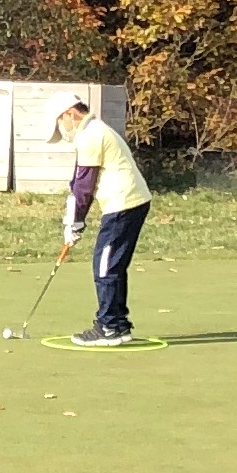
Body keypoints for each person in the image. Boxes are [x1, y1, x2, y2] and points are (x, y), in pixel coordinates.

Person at [54, 95, 153, 347]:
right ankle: (118, 323)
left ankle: (109, 327)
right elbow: (78, 183)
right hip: (130, 202)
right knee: (112, 265)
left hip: (124, 204)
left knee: (105, 266)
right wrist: (72, 220)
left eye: (59, 122)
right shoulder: (92, 131)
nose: (61, 129)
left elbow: (84, 188)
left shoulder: (91, 135)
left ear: (70, 114)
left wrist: (76, 223)